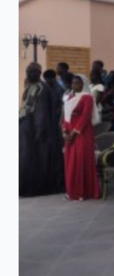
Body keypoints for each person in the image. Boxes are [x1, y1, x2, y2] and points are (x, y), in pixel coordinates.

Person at [19, 63, 64, 197]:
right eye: (28, 72)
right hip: (26, 127)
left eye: (33, 72)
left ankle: (34, 188)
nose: (30, 74)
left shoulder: (42, 89)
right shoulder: (30, 87)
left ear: (39, 73)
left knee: (34, 160)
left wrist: (39, 131)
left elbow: (41, 112)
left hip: (36, 131)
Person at [62, 74, 101, 201]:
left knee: (80, 162)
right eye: (73, 83)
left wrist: (73, 133)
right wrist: (64, 132)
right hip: (69, 135)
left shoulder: (87, 97)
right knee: (70, 163)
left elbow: (85, 118)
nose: (74, 86)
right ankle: (72, 191)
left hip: (82, 135)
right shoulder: (70, 97)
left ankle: (84, 192)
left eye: (77, 83)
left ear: (83, 84)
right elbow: (65, 117)